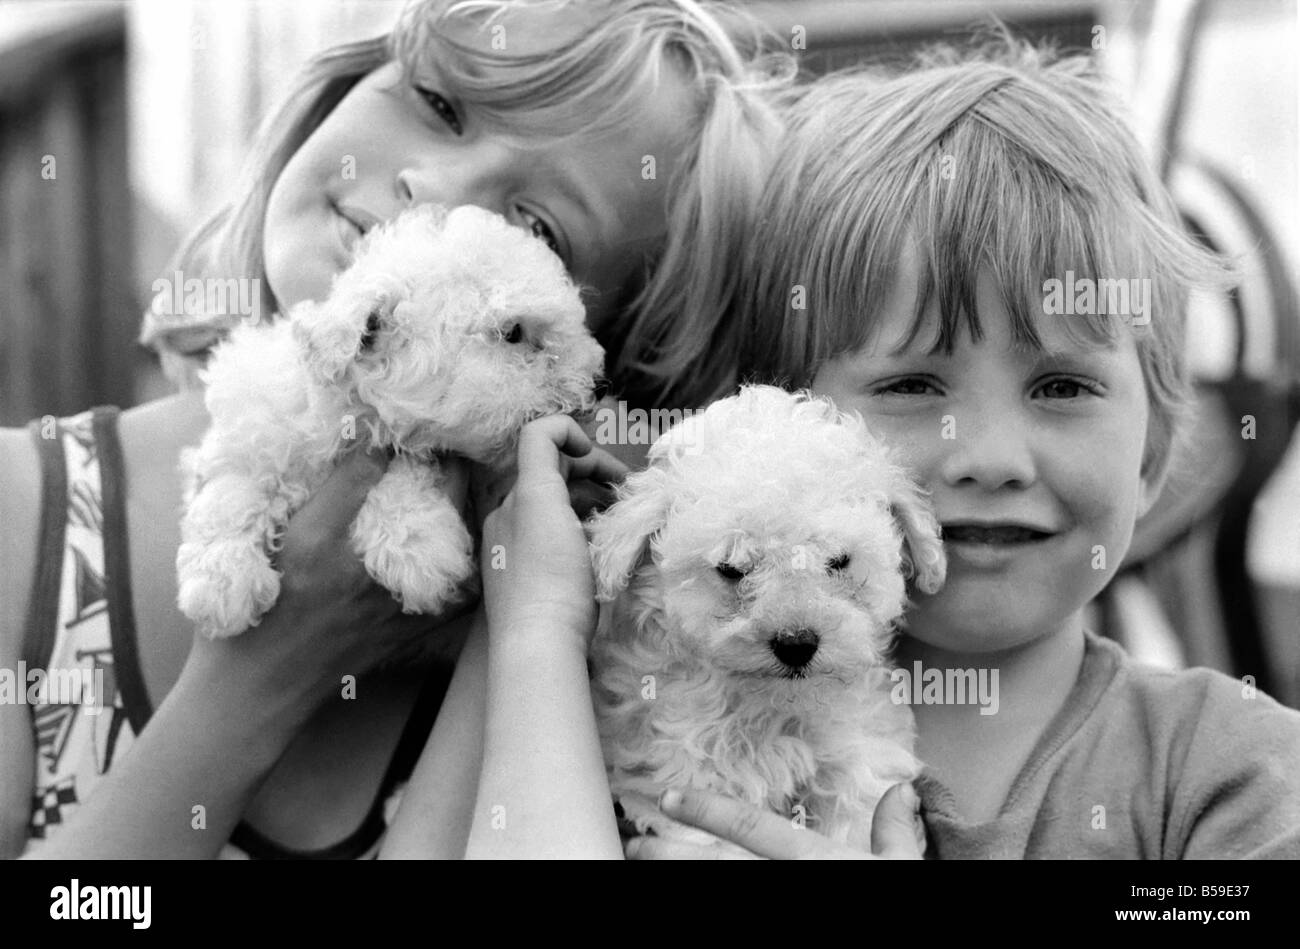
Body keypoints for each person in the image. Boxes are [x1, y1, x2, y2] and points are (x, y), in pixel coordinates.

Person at [452, 39, 1300, 859]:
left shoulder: (1238, 770)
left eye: (1063, 387)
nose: (991, 457)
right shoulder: (637, 746)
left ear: (1153, 453)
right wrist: (536, 632)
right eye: (912, 386)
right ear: (780, 418)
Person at [0, 0, 790, 859]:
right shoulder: (26, 520)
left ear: (598, 353)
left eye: (537, 227)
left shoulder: (575, 657)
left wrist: (521, 627)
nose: (437, 190)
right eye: (442, 105)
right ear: (344, 84)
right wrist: (268, 672)